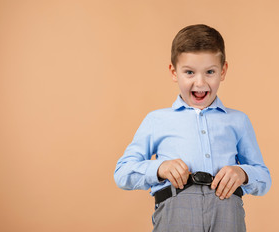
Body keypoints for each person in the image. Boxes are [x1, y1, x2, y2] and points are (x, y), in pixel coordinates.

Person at [114, 24, 271, 232]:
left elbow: (264, 176)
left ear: (223, 71)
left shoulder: (238, 121)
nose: (200, 82)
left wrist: (243, 173)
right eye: (189, 72)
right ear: (173, 71)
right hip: (175, 215)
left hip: (227, 215)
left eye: (210, 72)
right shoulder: (156, 120)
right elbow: (122, 172)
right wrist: (159, 169)